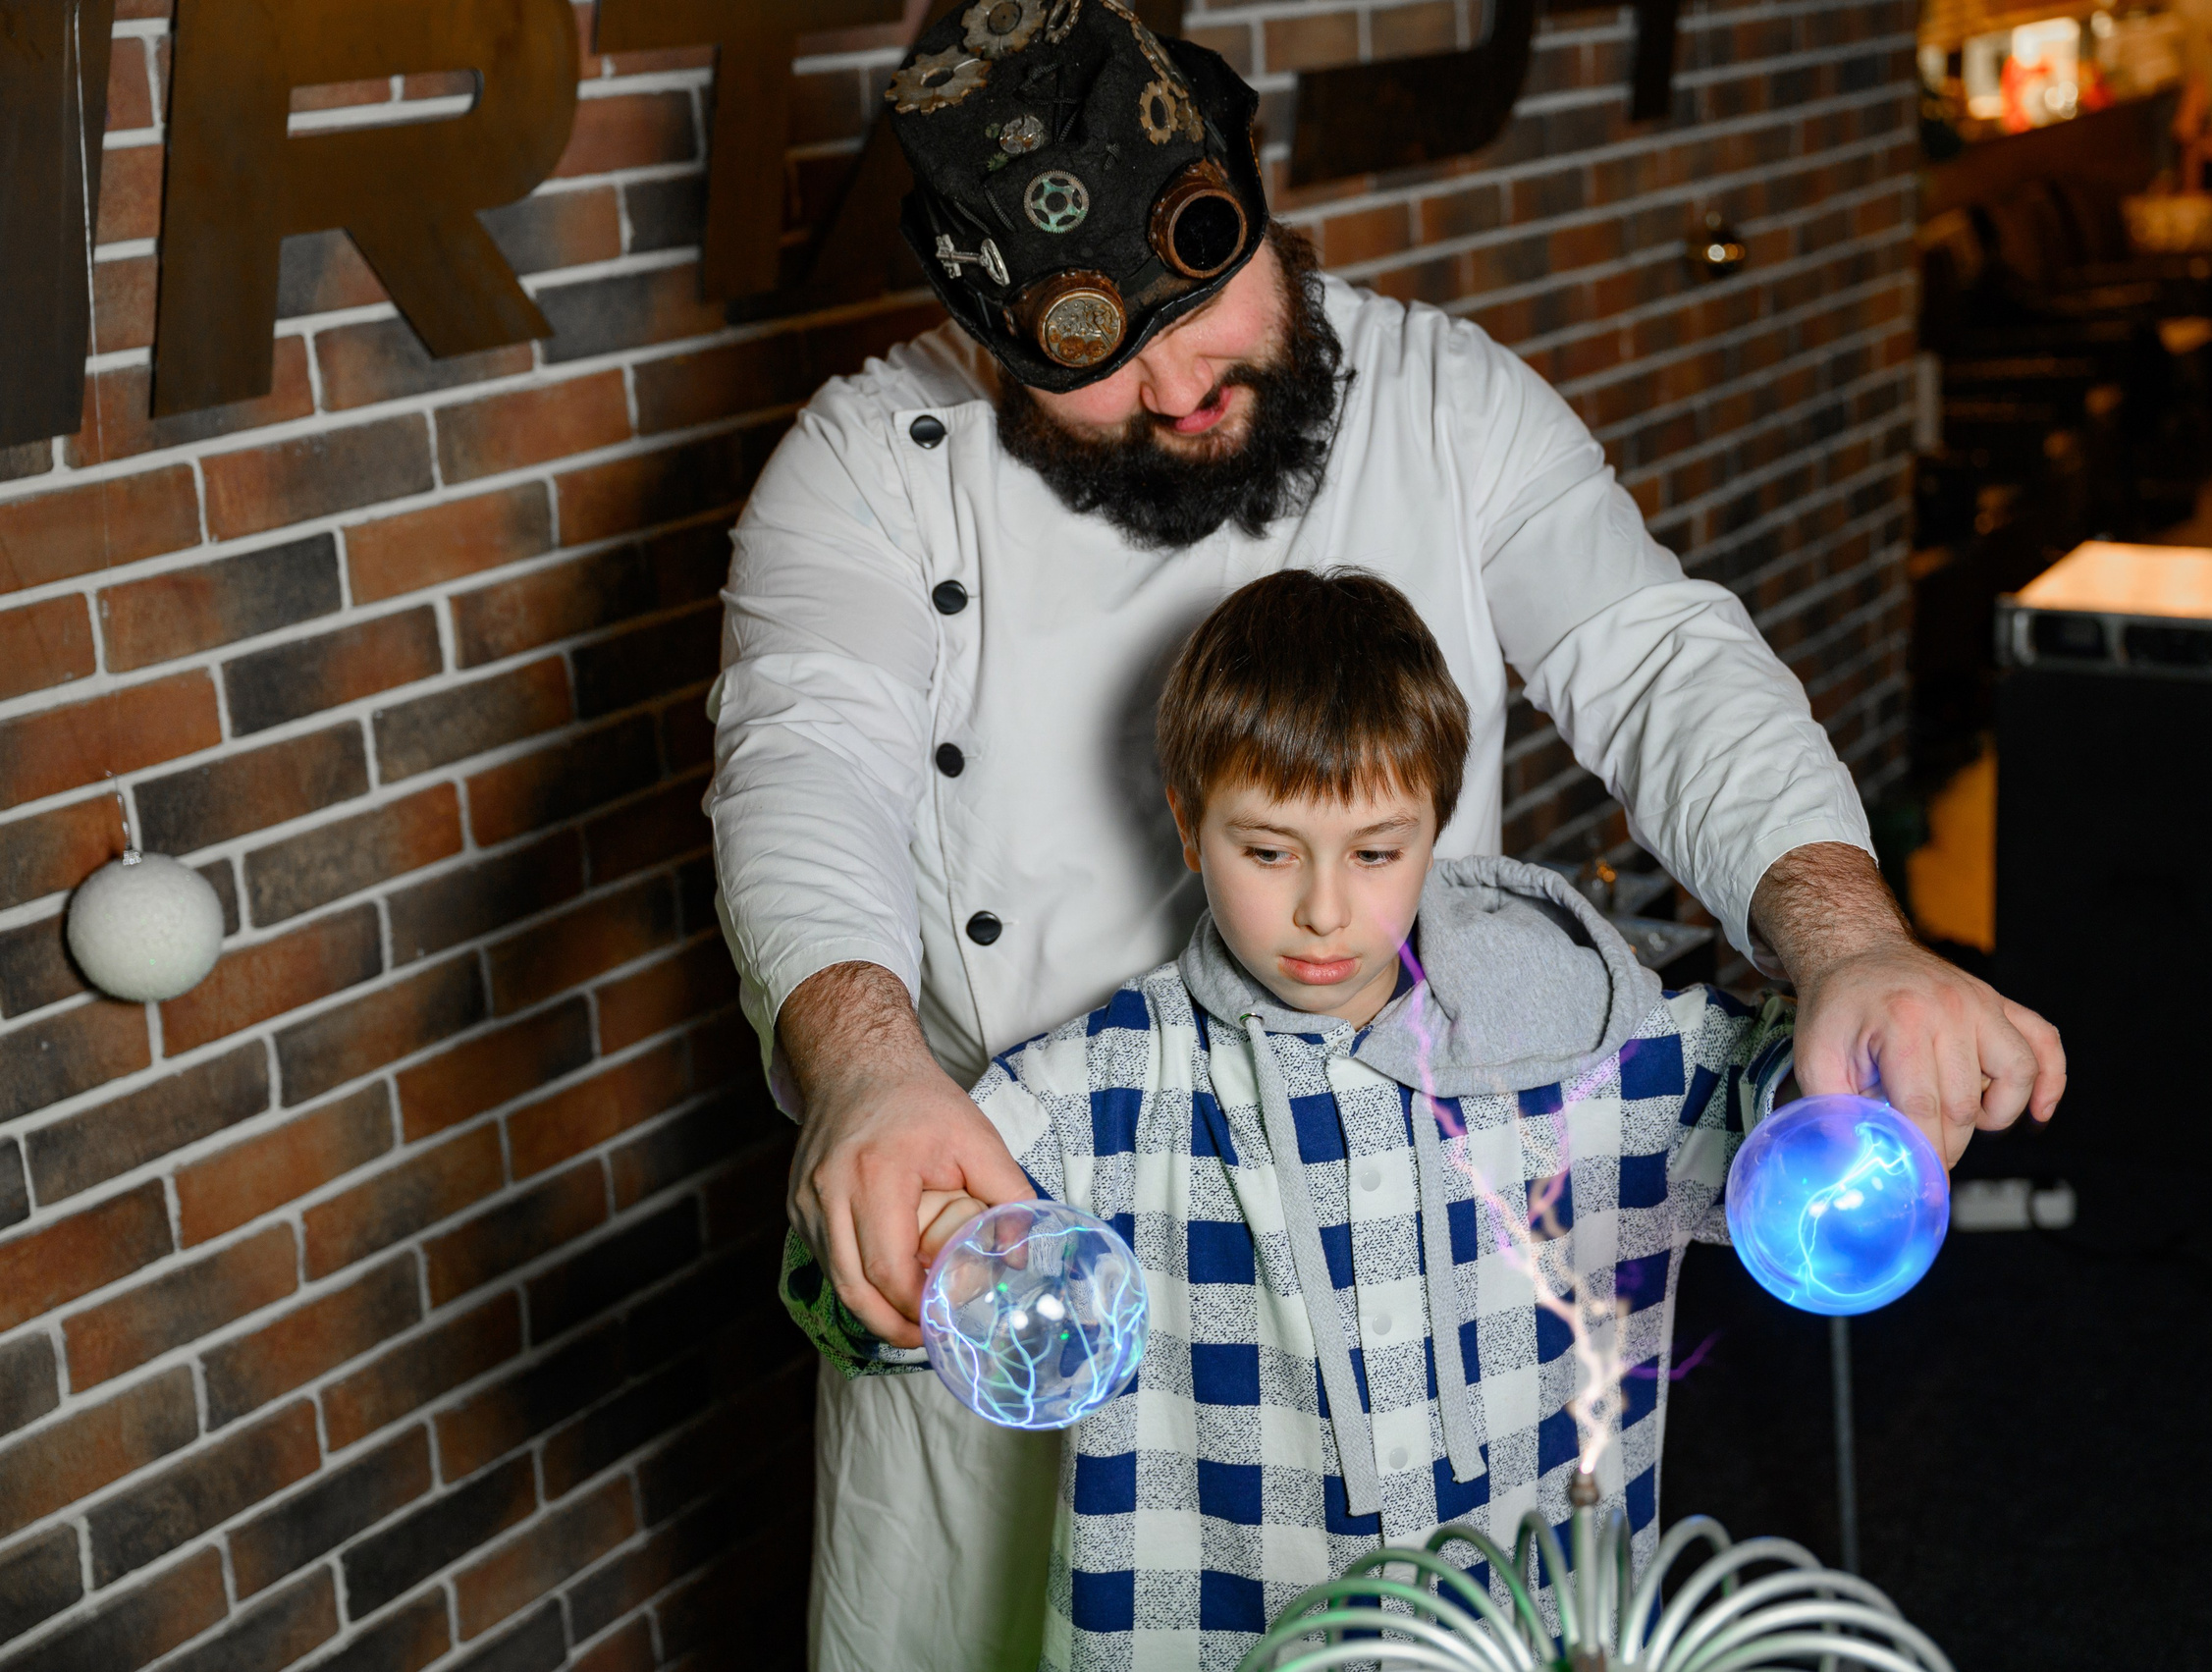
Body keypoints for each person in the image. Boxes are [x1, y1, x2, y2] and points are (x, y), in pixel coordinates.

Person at [705, 4, 2064, 1666]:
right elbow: (805, 761)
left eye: (1207, 305)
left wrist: (1848, 937)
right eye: (1103, 359)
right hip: (1024, 1243)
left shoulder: (1449, 400)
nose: (1184, 385)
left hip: (1429, 1282)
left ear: (1252, 192)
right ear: (990, 340)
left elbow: (1658, 662)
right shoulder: (860, 471)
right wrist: (865, 1063)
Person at [782, 570, 1800, 1667]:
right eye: (1267, 850)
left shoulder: (1589, 1042)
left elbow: (1776, 1103)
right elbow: (873, 1286)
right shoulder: (1091, 1094)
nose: (1322, 909)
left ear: (1434, 828)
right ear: (1188, 824)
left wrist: (1854, 1070)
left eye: (1375, 851)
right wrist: (917, 1249)